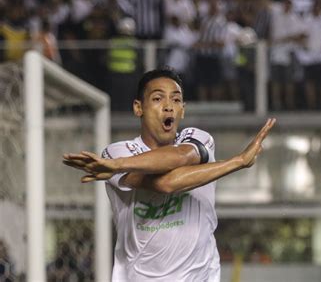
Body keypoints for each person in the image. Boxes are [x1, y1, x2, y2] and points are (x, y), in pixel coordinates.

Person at [63, 66, 276, 281]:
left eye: (175, 100)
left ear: (182, 109)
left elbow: (183, 156)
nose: (168, 107)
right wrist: (237, 162)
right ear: (139, 108)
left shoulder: (199, 138)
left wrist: (117, 166)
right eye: (157, 99)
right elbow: (165, 184)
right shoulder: (116, 151)